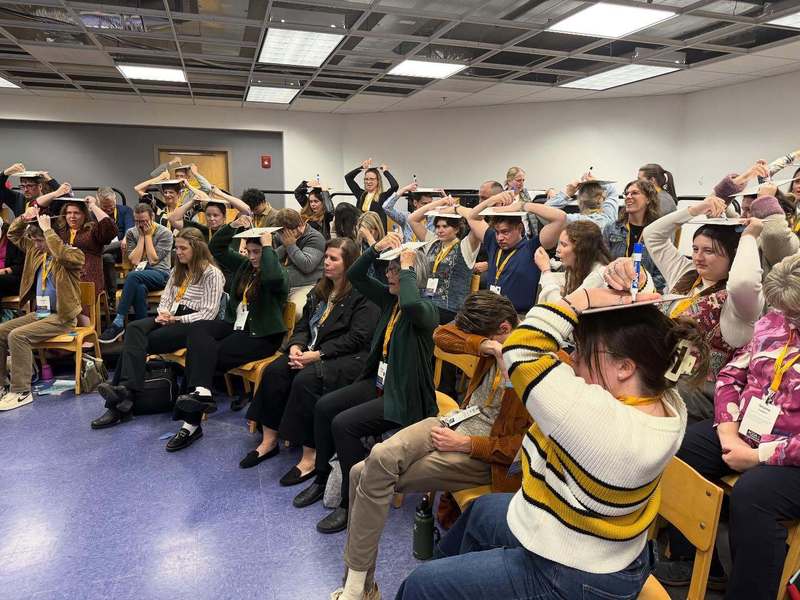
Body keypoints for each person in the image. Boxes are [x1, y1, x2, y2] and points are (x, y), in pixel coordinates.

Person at [395, 285, 710, 600]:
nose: (574, 359)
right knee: (480, 513)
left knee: (421, 586)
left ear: (625, 367)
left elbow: (520, 350)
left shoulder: (599, 421)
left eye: (584, 350)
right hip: (604, 546)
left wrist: (582, 298)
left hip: (576, 575)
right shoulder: (665, 402)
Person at [331, 291, 529, 600]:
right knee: (378, 456)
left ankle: (359, 589)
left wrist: (467, 444)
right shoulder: (495, 342)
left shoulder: (535, 365)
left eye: (486, 338)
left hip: (482, 454)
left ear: (504, 328)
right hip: (454, 422)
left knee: (361, 472)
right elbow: (442, 334)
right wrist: (486, 345)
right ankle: (362, 586)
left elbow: (523, 448)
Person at [655, 253, 800, 600]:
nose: (789, 320)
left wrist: (759, 456)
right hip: (748, 430)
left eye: (795, 313)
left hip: (790, 450)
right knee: (680, 448)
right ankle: (696, 561)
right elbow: (731, 374)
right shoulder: (775, 322)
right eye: (785, 312)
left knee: (753, 496)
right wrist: (727, 431)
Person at [292, 233, 437, 535]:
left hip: (405, 396)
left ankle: (353, 498)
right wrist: (375, 249)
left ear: (413, 274)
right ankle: (322, 478)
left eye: (395, 270)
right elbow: (357, 274)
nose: (389, 274)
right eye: (391, 269)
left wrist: (408, 265)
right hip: (381, 382)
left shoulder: (424, 310)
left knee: (343, 424)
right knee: (324, 406)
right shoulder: (391, 301)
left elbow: (412, 304)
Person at [240, 237, 379, 472]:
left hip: (346, 357)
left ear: (350, 263)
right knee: (275, 371)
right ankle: (269, 440)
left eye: (333, 259)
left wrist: (318, 355)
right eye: (325, 257)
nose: (326, 262)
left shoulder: (363, 294)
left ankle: (311, 455)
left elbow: (357, 339)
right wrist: (296, 345)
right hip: (310, 350)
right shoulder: (320, 288)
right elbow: (304, 326)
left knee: (306, 380)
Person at [167, 218, 288, 452]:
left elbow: (272, 279)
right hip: (236, 326)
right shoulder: (245, 266)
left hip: (261, 336)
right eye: (250, 251)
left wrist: (268, 247)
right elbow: (216, 249)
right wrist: (234, 226)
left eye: (257, 252)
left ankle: (189, 424)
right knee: (198, 330)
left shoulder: (277, 272)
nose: (253, 257)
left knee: (203, 353)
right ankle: (202, 392)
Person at [643, 194, 765, 422]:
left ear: (733, 256)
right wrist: (697, 209)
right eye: (695, 249)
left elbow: (744, 282)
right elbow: (653, 235)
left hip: (697, 398)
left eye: (708, 251)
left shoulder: (738, 303)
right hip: (659, 378)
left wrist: (749, 237)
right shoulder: (686, 273)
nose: (698, 257)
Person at [90, 227, 225, 429]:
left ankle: (118, 403)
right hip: (170, 316)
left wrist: (177, 320)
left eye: (182, 248)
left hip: (192, 324)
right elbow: (167, 298)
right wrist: (163, 313)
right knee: (134, 328)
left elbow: (209, 313)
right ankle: (124, 393)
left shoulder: (212, 274)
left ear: (197, 248)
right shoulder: (178, 269)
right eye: (176, 248)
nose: (177, 252)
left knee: (135, 344)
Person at [0, 208, 84, 411]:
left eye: (41, 240)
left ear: (52, 236)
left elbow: (61, 254)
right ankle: (2, 385)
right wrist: (24, 218)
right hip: (41, 314)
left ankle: (21, 391)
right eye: (35, 241)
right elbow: (12, 234)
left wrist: (48, 230)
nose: (36, 245)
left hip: (62, 317)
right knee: (2, 331)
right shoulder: (36, 252)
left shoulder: (73, 254)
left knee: (17, 336)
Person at [465, 190, 564, 315]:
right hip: (491, 312)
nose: (500, 237)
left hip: (518, 315)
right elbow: (472, 217)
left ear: (520, 228)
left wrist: (523, 205)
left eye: (505, 232)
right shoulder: (493, 243)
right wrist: (491, 201)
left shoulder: (532, 248)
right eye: (497, 232)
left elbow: (560, 218)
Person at [99, 203, 174, 343]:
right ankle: (143, 331)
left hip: (160, 274)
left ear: (152, 217)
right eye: (137, 221)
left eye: (144, 221)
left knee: (133, 276)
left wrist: (148, 236)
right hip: (140, 275)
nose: (140, 224)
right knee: (138, 288)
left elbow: (152, 260)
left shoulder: (165, 233)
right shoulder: (132, 233)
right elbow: (134, 260)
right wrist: (141, 237)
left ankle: (118, 321)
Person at [36, 185, 118, 299]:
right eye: (69, 213)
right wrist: (56, 193)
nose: (72, 216)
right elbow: (37, 207)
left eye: (76, 213)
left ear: (84, 215)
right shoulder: (61, 230)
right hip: (62, 274)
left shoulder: (93, 230)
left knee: (77, 289)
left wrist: (93, 206)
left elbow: (110, 228)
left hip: (86, 275)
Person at [408, 196, 477, 323]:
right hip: (427, 305)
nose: (440, 230)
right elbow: (412, 219)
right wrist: (440, 202)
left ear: (456, 229)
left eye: (445, 226)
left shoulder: (466, 246)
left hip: (451, 310)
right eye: (438, 226)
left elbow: (476, 220)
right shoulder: (433, 242)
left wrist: (456, 209)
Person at [603, 179, 665, 291]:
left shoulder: (658, 233)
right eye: (626, 193)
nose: (628, 197)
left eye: (634, 193)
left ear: (648, 199)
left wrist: (640, 286)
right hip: (613, 290)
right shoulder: (612, 228)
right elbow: (602, 264)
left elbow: (662, 275)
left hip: (645, 293)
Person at [536, 220, 616, 303]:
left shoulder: (599, 275)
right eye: (558, 244)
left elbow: (562, 308)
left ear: (582, 250)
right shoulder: (580, 267)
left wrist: (546, 271)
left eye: (564, 245)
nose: (557, 250)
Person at [274, 208, 325, 318]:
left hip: (306, 285)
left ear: (300, 225)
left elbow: (307, 265)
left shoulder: (315, 237)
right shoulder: (280, 236)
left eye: (286, 232)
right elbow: (273, 259)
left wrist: (291, 245)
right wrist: (285, 245)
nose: (283, 235)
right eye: (282, 232)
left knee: (297, 311)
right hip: (282, 284)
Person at [96, 187, 134, 308]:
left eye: (111, 206)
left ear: (115, 199)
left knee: (118, 245)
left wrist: (125, 239)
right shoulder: (94, 213)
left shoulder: (125, 210)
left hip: (121, 249)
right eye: (104, 207)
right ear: (98, 201)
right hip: (106, 250)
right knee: (106, 257)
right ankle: (111, 298)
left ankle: (98, 252)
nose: (108, 209)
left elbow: (130, 229)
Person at [546, 176, 619, 231]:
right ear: (601, 198)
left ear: (579, 201)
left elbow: (544, 213)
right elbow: (612, 191)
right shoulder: (609, 218)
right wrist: (595, 181)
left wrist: (567, 194)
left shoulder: (575, 221)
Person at [344, 158, 398, 229]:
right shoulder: (361, 194)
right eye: (366, 179)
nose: (368, 182)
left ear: (378, 181)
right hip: (361, 231)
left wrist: (385, 172)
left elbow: (395, 186)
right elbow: (348, 178)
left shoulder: (382, 196)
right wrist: (362, 168)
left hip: (377, 232)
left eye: (372, 179)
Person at [356, 211, 388, 285]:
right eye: (364, 233)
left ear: (378, 229)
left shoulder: (387, 246)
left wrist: (369, 237)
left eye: (370, 231)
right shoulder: (360, 246)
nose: (367, 236)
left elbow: (380, 262)